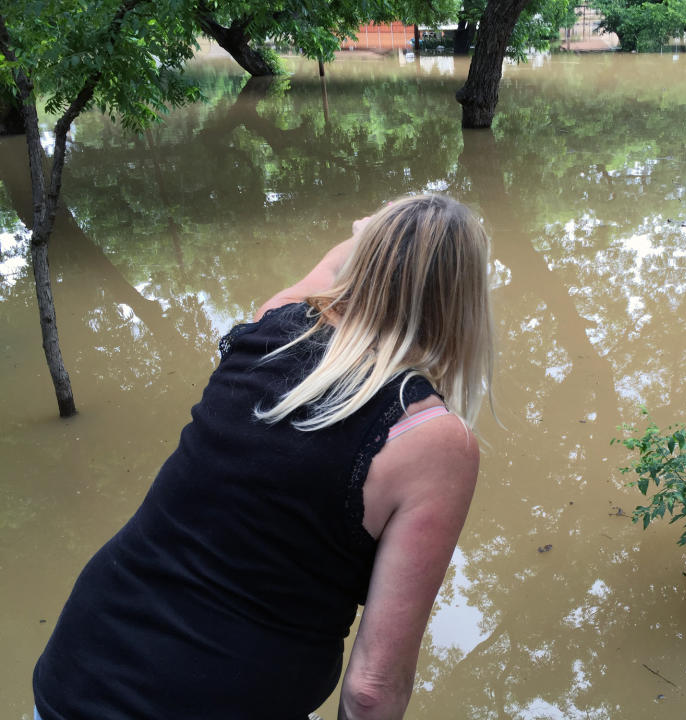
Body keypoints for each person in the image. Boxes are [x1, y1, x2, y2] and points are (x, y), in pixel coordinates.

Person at [32, 194, 495, 720]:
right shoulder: (431, 440)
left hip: (81, 664)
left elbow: (325, 274)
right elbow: (370, 689)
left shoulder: (270, 330)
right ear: (465, 300)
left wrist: (364, 236)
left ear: (365, 260)